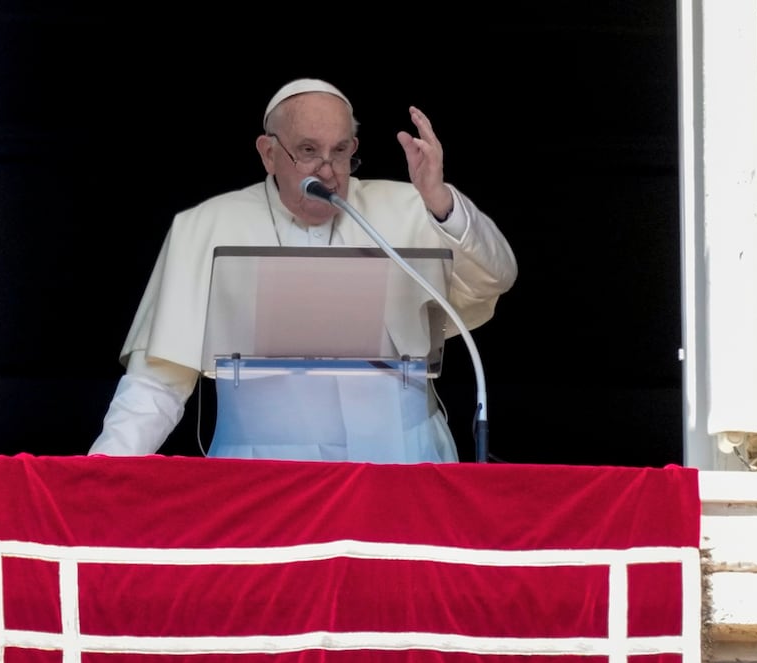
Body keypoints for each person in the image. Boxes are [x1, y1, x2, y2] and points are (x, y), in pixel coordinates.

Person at [88, 78, 517, 462]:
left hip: (401, 458)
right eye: (308, 151)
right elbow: (157, 381)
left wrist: (441, 201)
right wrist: (98, 476)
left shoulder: (411, 206)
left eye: (341, 151)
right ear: (269, 153)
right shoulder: (206, 226)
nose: (327, 171)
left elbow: (497, 276)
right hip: (260, 469)